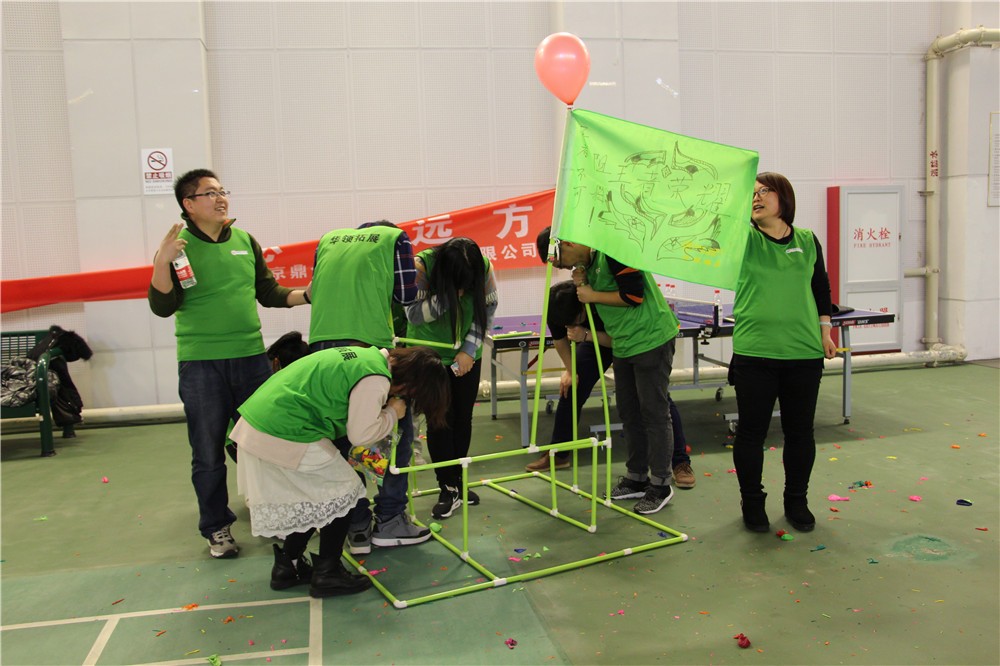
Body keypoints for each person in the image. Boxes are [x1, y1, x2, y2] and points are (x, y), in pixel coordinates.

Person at [149, 168, 308, 559]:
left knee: (267, 440)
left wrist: (308, 294)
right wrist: (161, 262)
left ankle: (277, 514)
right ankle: (216, 527)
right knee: (208, 451)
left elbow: (268, 293)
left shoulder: (244, 241)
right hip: (201, 365)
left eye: (222, 191)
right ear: (189, 204)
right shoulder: (178, 247)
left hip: (251, 359)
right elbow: (162, 307)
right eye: (210, 193)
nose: (221, 199)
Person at [230, 346, 451, 597]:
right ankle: (328, 573)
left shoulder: (368, 359)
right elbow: (361, 434)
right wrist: (392, 413)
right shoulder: (376, 379)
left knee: (317, 500)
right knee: (347, 492)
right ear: (411, 383)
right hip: (282, 429)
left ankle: (288, 566)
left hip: (267, 423)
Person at [537, 227, 679, 515]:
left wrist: (591, 294)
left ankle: (661, 483)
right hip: (623, 343)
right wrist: (586, 281)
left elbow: (634, 295)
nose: (561, 267)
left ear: (569, 243)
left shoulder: (613, 249)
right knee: (629, 412)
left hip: (650, 338)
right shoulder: (588, 265)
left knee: (653, 413)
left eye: (559, 260)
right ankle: (636, 477)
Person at [307, 220, 429, 554]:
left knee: (340, 439)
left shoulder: (328, 239)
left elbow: (313, 292)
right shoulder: (394, 240)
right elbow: (407, 296)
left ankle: (355, 522)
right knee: (397, 433)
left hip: (321, 352)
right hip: (368, 349)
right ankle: (390, 520)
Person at [730, 172, 837, 533]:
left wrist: (825, 332)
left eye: (765, 191)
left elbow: (820, 288)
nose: (756, 198)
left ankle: (797, 500)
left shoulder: (807, 240)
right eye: (752, 193)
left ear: (784, 197)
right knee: (751, 433)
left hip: (803, 353)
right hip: (755, 352)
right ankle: (752, 501)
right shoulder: (742, 238)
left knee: (800, 433)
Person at [524, 281, 697, 490]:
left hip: (626, 339)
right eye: (565, 325)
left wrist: (585, 334)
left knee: (657, 401)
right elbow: (560, 340)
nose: (568, 327)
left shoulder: (601, 301)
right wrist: (571, 371)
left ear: (583, 307)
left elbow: (619, 340)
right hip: (591, 340)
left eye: (572, 322)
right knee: (571, 389)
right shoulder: (556, 308)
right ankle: (559, 453)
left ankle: (680, 462)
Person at [406, 237, 498, 519]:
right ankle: (446, 486)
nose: (465, 289)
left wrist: (469, 350)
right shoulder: (422, 267)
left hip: (466, 356)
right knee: (439, 421)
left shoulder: (483, 267)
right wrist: (446, 298)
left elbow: (487, 309)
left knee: (462, 419)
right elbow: (413, 314)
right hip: (429, 356)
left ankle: (457, 481)